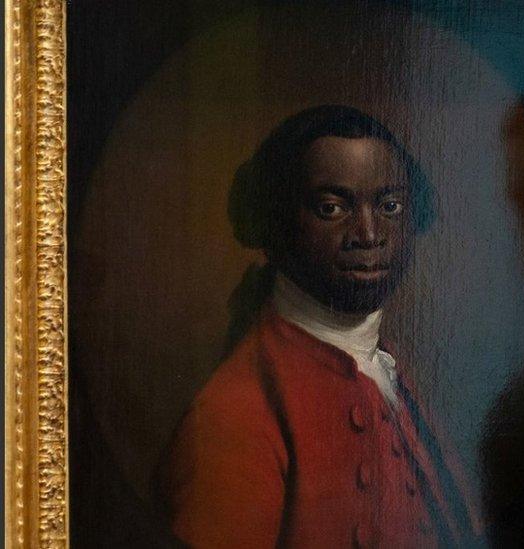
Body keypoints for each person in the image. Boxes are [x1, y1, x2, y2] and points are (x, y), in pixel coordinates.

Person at [159, 105, 482, 548]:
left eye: (389, 206)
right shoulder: (231, 414)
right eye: (332, 208)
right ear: (276, 220)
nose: (368, 233)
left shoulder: (389, 372)